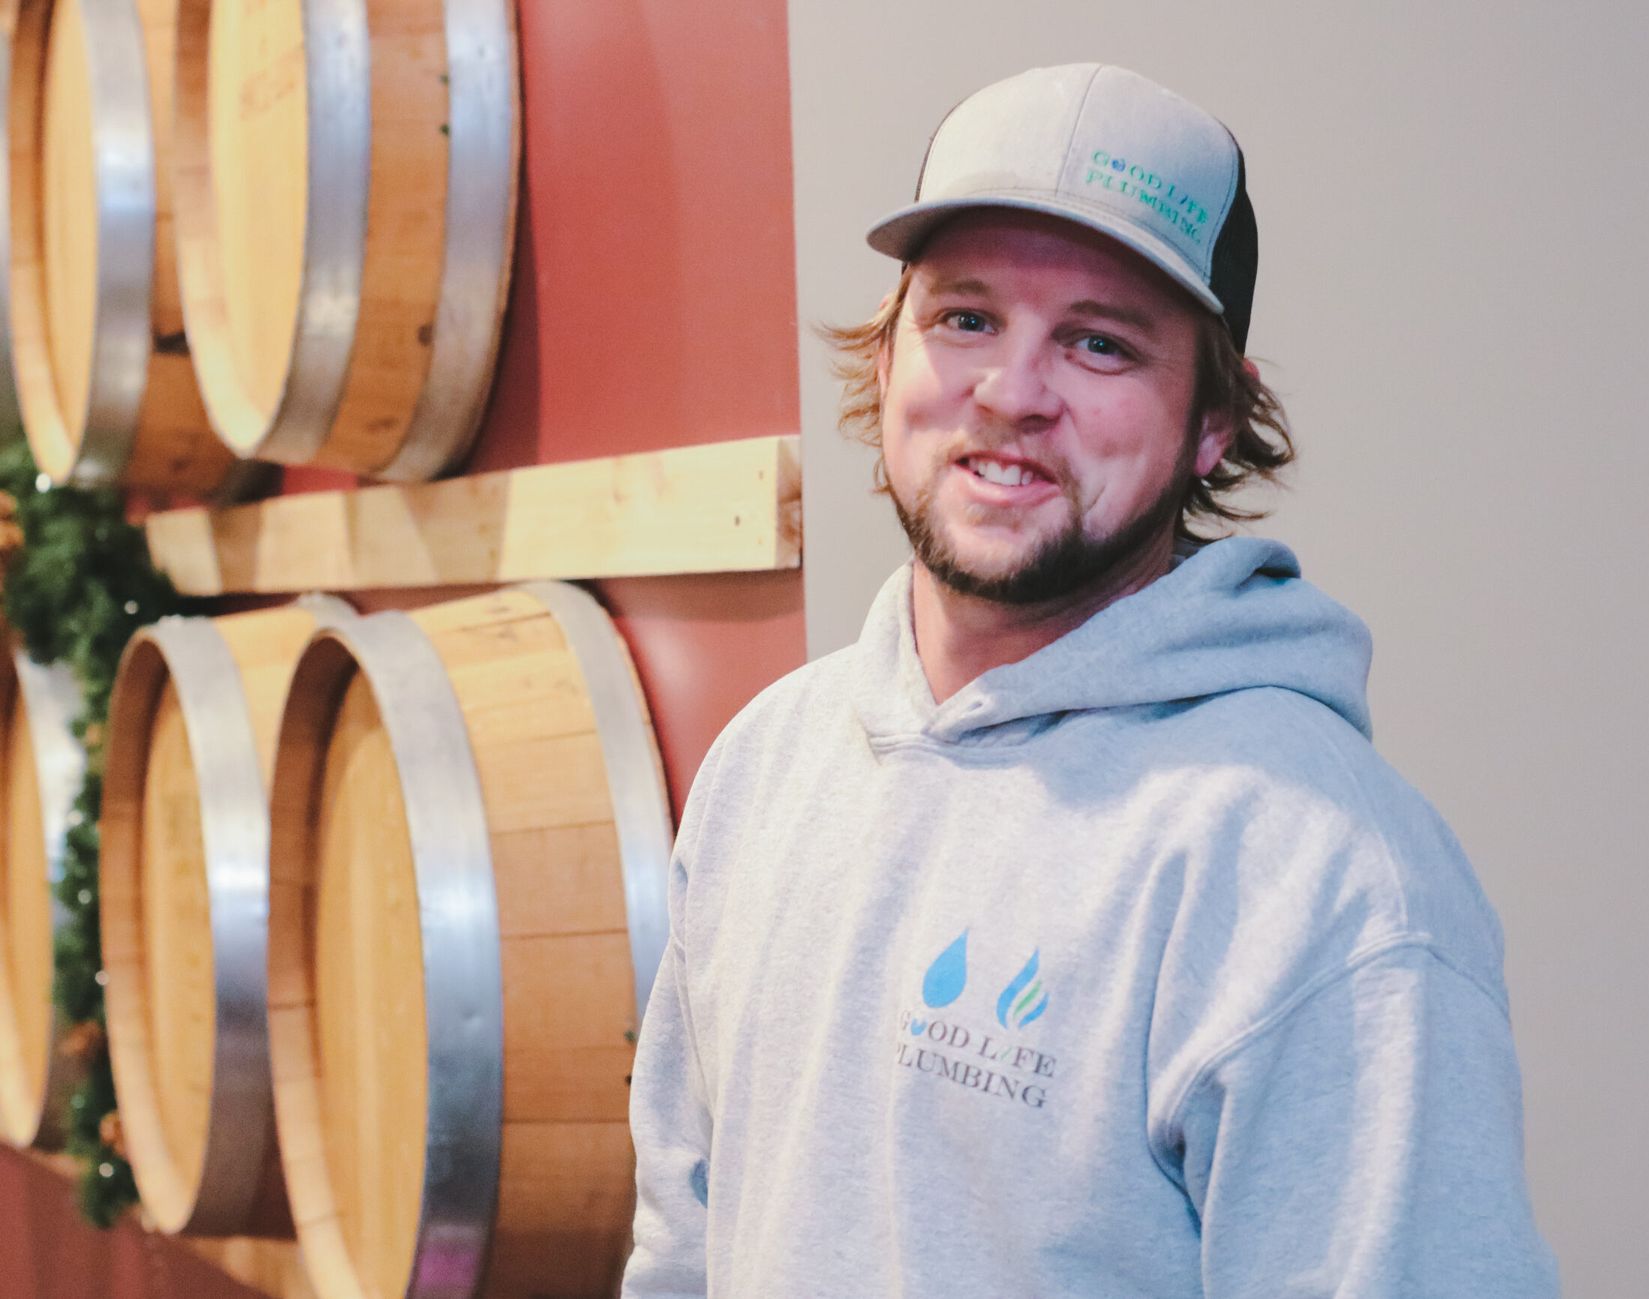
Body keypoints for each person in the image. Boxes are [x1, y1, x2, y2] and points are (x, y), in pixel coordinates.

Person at [624, 63, 1559, 1297]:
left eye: (1100, 343)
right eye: (965, 319)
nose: (1012, 395)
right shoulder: (768, 763)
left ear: (1215, 422)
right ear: (893, 347)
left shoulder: (1319, 877)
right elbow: (683, 1248)